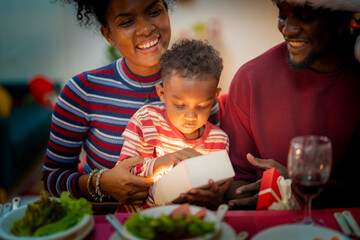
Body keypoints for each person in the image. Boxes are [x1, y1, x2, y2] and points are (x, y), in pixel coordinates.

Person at [42, 0, 222, 206]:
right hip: (107, 223)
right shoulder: (82, 91)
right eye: (127, 22)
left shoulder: (199, 95)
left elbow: (213, 168)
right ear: (108, 34)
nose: (146, 29)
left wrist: (215, 194)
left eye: (154, 12)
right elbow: (52, 178)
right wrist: (101, 183)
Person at [222, 0, 360, 209]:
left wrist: (293, 184)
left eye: (305, 16)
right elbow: (236, 179)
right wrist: (257, 199)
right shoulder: (251, 79)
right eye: (283, 16)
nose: (288, 29)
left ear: (344, 18)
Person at [117, 39, 232, 212]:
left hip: (188, 221)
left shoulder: (218, 141)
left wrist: (214, 196)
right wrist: (161, 163)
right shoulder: (146, 121)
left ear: (215, 96)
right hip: (137, 221)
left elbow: (216, 191)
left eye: (202, 106)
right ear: (162, 93)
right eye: (180, 105)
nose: (191, 117)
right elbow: (124, 174)